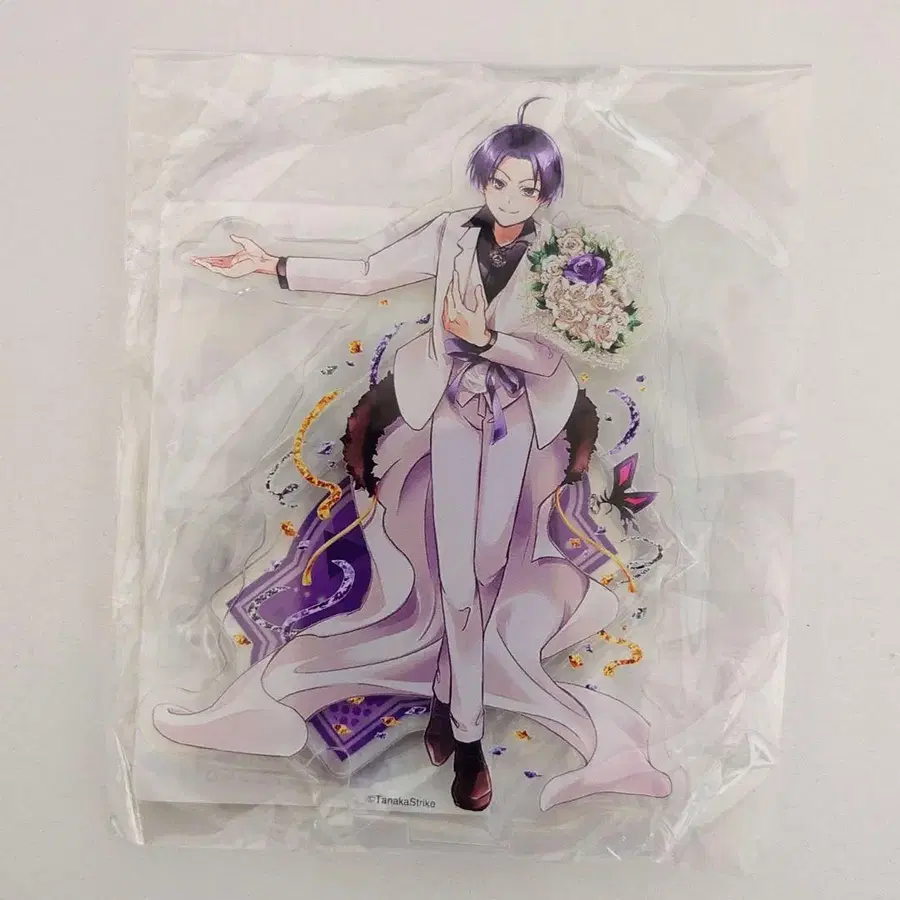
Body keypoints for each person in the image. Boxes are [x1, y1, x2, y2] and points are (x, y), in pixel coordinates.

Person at [156, 99, 671, 813]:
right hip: (450, 417)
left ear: (547, 193)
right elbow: (369, 271)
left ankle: (450, 693)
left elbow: (559, 353)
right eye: (500, 182)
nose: (511, 198)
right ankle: (468, 739)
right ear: (483, 179)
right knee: (456, 580)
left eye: (528, 187)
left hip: (517, 426)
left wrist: (492, 341)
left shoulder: (569, 259)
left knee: (487, 573)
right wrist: (272, 264)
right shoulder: (449, 233)